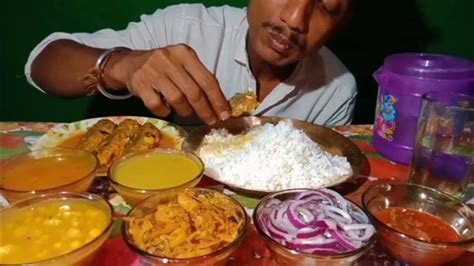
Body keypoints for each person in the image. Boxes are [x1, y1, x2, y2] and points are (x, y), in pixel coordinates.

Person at [26, 0, 356, 126]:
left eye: (326, 6)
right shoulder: (185, 27)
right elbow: (42, 62)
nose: (295, 18)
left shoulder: (336, 92)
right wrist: (120, 66)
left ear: (341, 25)